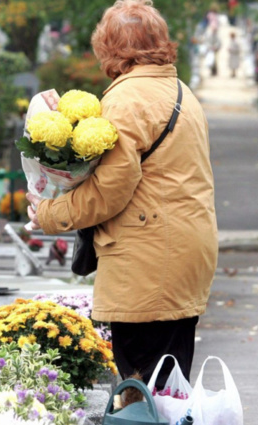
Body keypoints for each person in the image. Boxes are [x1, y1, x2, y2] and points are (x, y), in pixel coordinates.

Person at [26, 0, 217, 389]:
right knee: (169, 385)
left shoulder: (128, 99)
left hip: (147, 260)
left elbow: (110, 190)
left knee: (141, 389)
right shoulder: (179, 92)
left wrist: (49, 212)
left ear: (111, 48)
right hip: (182, 251)